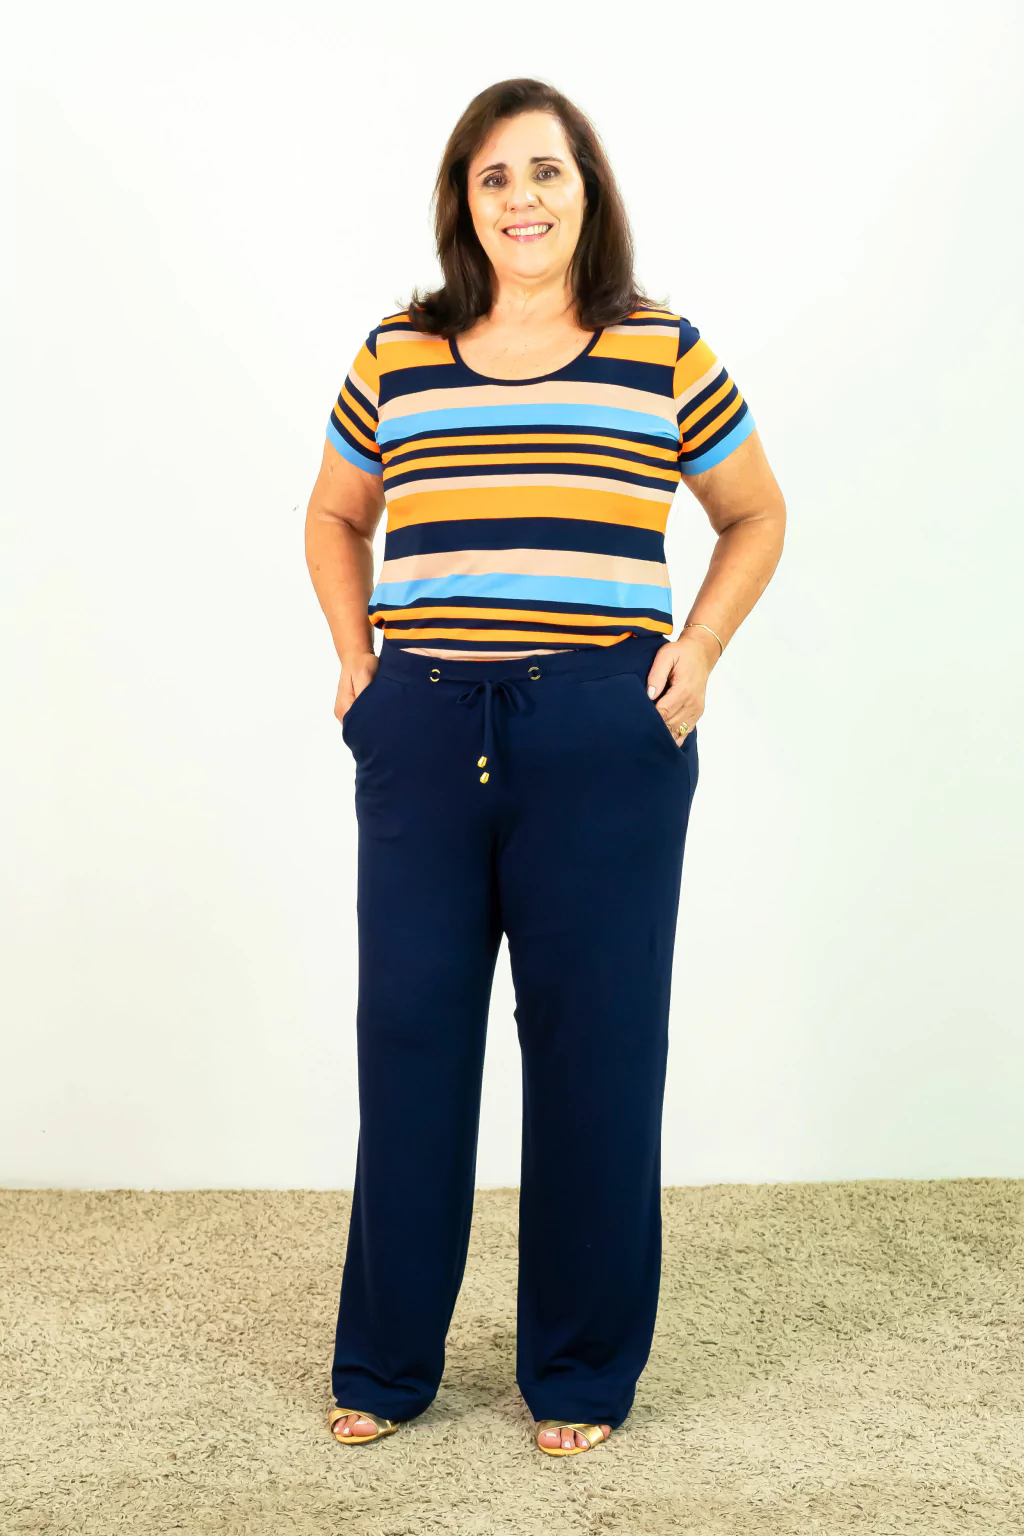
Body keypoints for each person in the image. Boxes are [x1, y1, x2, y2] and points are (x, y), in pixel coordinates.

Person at [305, 77, 786, 1458]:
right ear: (465, 203)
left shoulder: (661, 350)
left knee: (597, 1053)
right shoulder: (399, 352)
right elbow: (336, 514)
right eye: (495, 177)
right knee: (410, 1042)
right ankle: (387, 1360)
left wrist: (699, 652)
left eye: (546, 172)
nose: (522, 198)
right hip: (422, 725)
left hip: (601, 735)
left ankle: (577, 1372)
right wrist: (357, 661)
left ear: (588, 190)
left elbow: (754, 512)